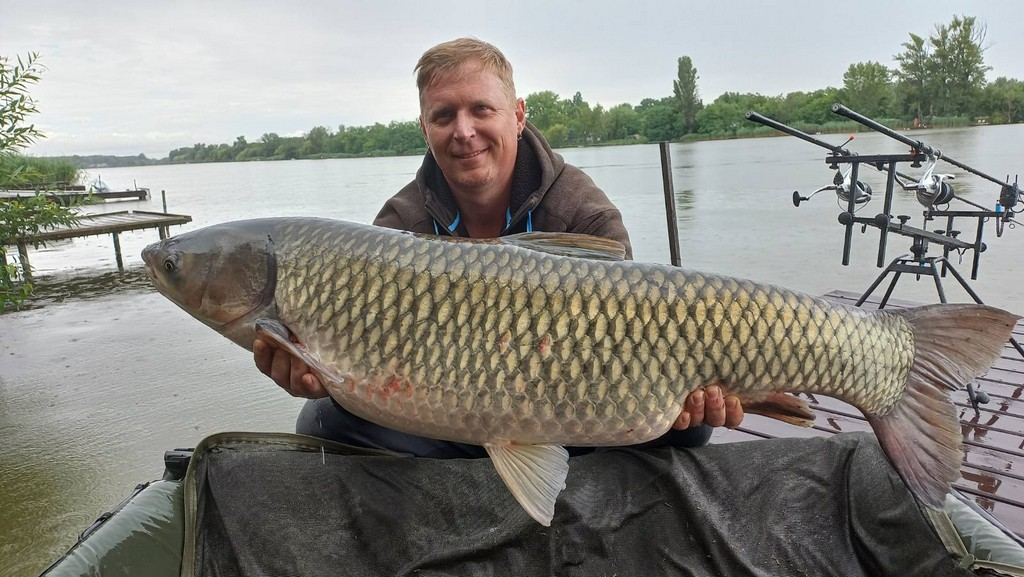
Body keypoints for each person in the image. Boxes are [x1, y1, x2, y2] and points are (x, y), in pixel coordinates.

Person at [253, 37, 743, 457]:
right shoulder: (400, 224)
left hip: (577, 409)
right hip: (447, 415)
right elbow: (363, 361)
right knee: (322, 420)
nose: (464, 131)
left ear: (518, 115)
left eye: (481, 109)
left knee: (689, 423)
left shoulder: (582, 209)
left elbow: (630, 331)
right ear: (425, 130)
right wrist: (322, 374)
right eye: (444, 116)